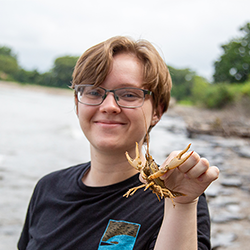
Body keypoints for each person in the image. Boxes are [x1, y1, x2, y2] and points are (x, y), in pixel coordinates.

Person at [18, 36, 219, 250]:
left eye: (129, 94)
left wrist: (182, 205)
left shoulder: (177, 198)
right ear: (77, 103)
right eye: (94, 92)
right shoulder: (48, 188)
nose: (109, 106)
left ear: (157, 112)